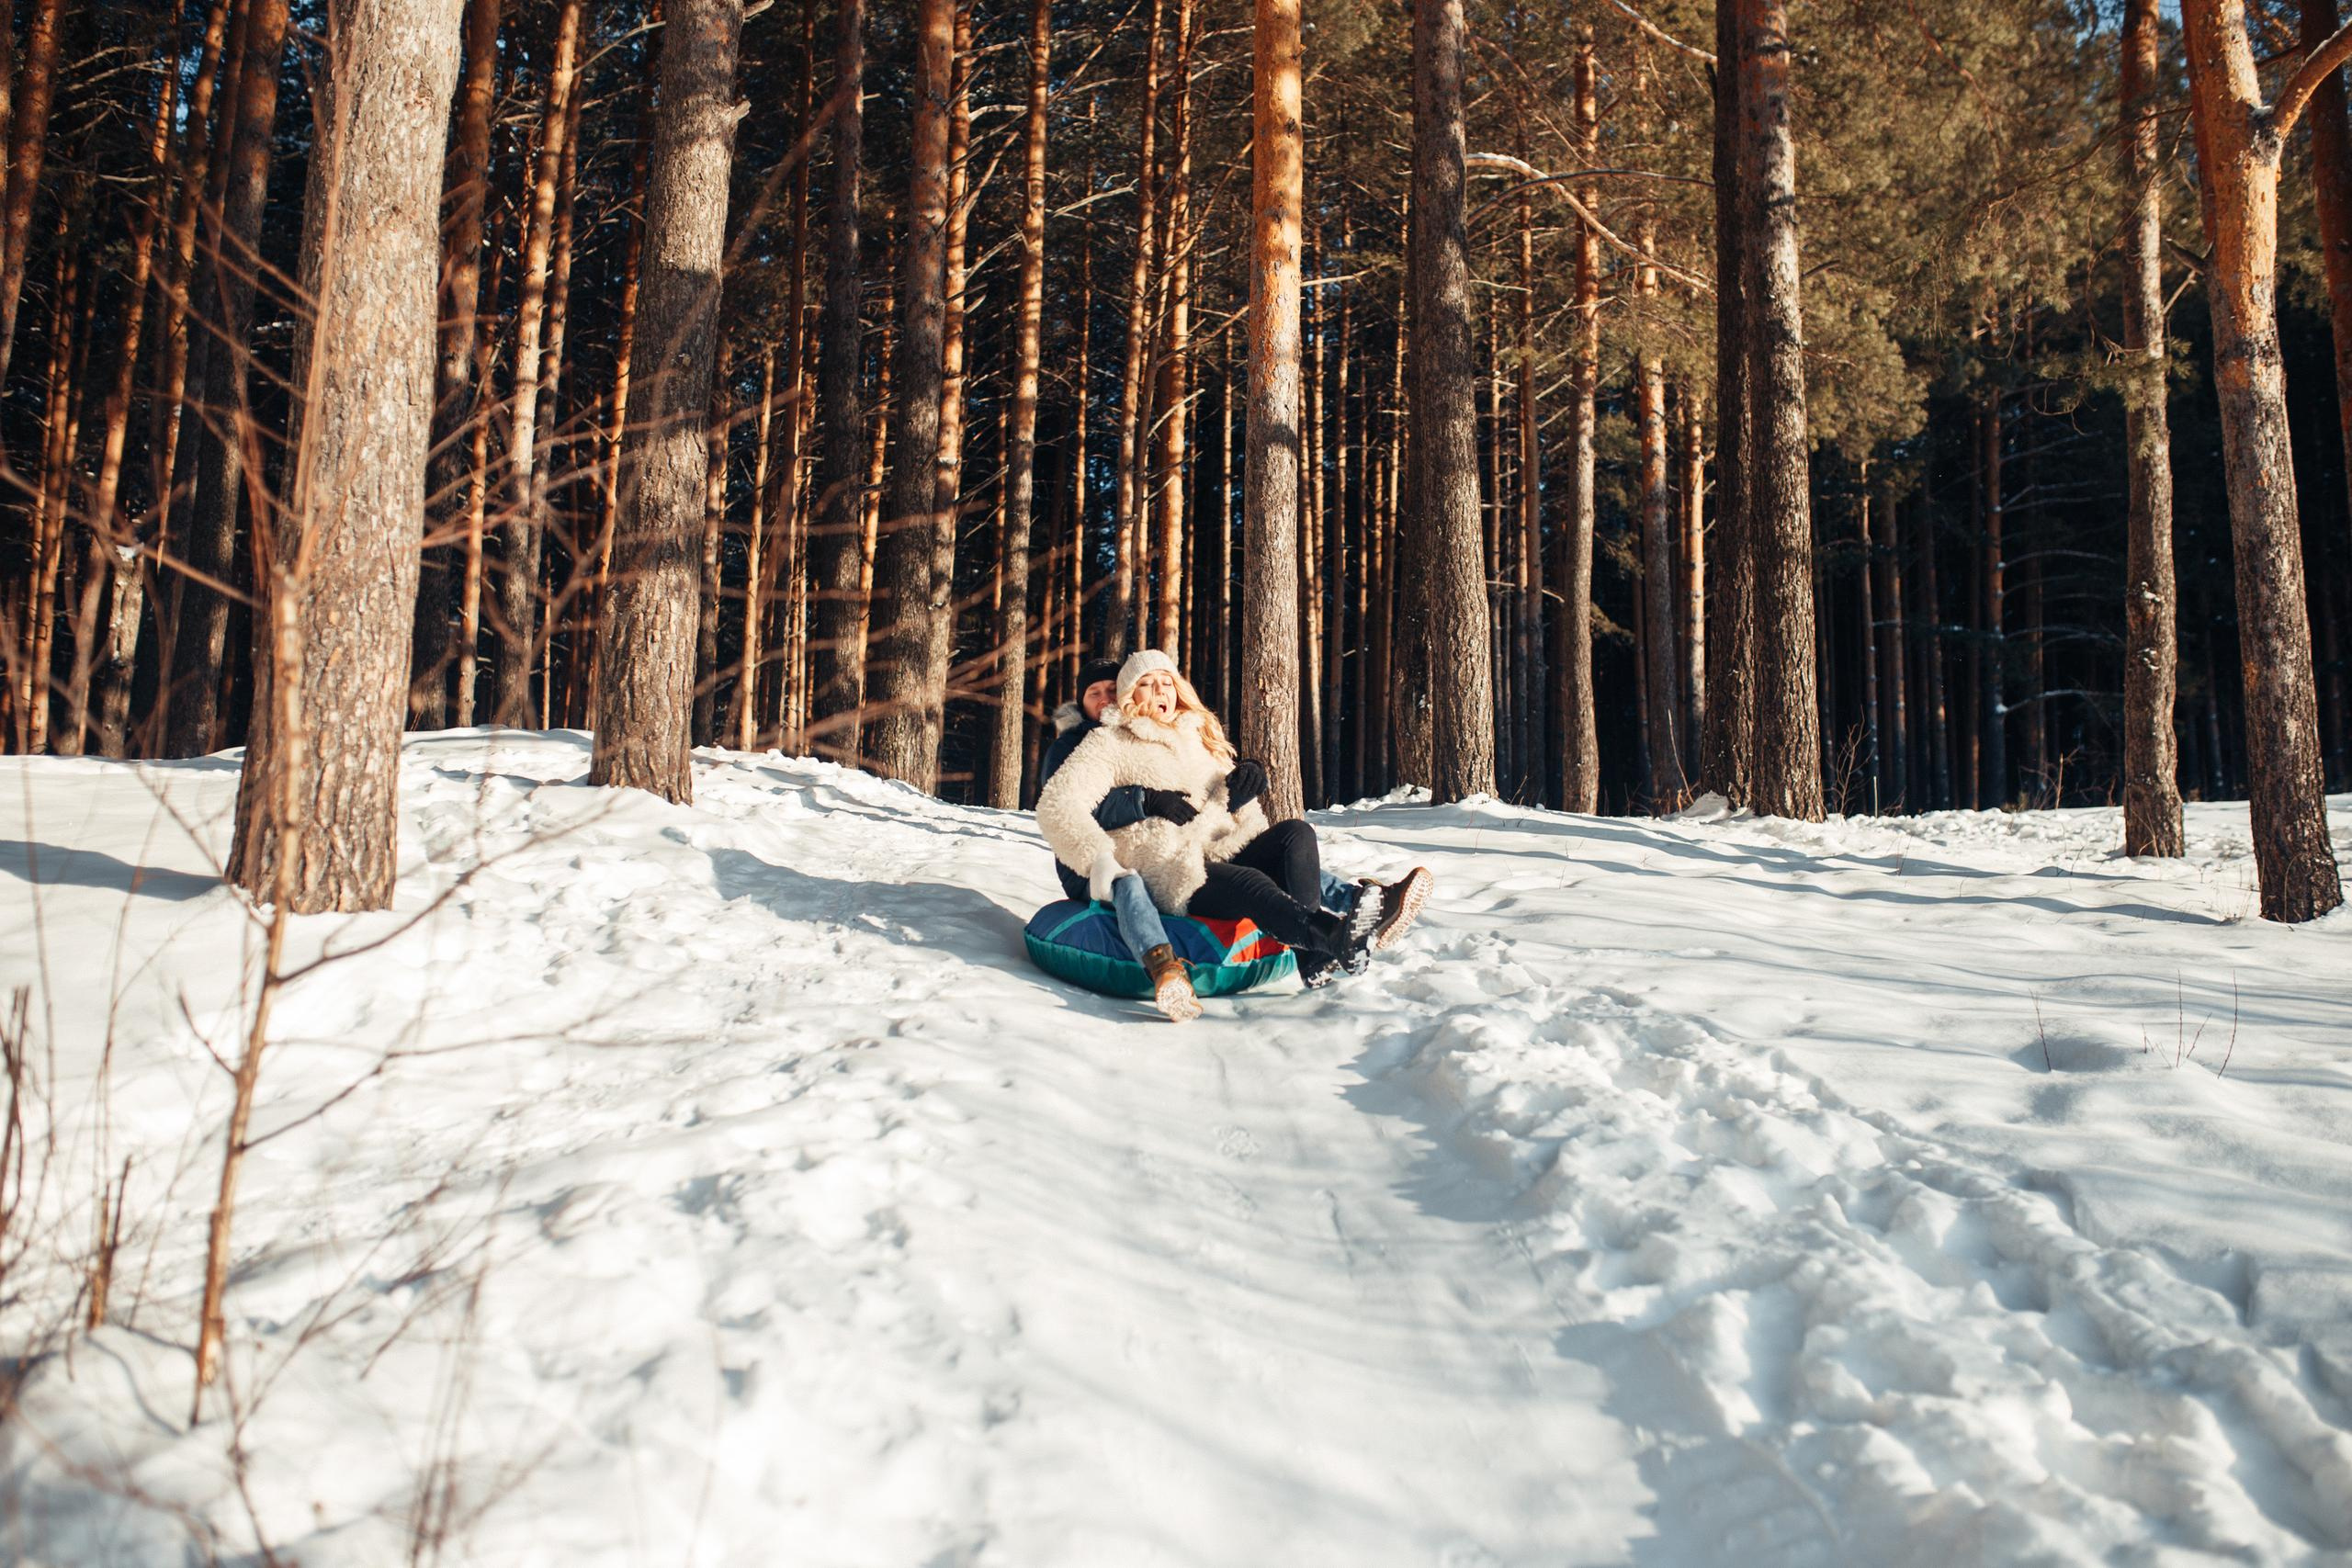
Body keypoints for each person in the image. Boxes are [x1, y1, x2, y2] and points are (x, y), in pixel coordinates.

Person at [1038, 650, 1417, 1005]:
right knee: (1251, 885)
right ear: (1129, 694)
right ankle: (1331, 938)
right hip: (1165, 866)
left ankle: (1314, 958)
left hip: (1210, 849)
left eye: (1167, 682)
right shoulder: (1107, 740)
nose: (1160, 692)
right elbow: (1059, 804)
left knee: (1295, 835)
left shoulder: (1195, 736)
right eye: (1147, 683)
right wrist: (1100, 859)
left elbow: (1226, 810)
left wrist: (1237, 791)